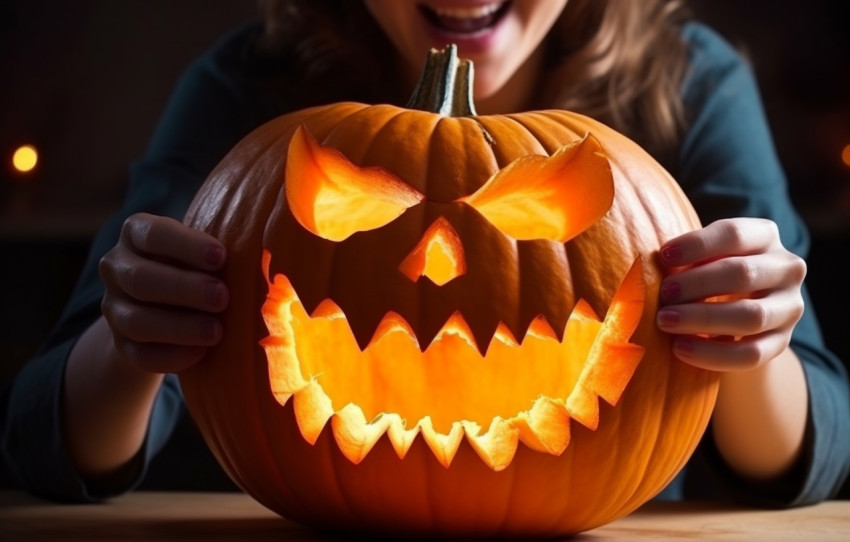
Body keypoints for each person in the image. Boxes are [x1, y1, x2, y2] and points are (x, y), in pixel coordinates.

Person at [2, 0, 848, 505]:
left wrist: (751, 339)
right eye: (358, 209)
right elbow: (45, 439)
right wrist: (132, 340)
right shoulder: (246, 91)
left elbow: (816, 453)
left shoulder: (690, 86)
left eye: (531, 214)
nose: (436, 264)